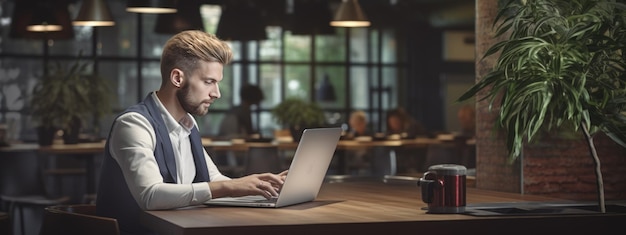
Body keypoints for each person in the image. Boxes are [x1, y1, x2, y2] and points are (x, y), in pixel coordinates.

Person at [95, 30, 287, 235]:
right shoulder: (134, 124)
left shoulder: (188, 125)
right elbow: (150, 195)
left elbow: (215, 180)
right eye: (208, 82)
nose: (217, 93)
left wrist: (263, 186)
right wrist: (231, 187)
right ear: (177, 78)